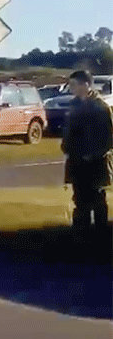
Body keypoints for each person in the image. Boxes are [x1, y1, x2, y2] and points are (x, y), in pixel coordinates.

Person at [61, 70, 112, 240]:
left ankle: (101, 237)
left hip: (95, 162)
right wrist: (67, 147)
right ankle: (80, 237)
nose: (71, 88)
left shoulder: (101, 108)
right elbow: (69, 132)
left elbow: (108, 138)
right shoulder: (73, 105)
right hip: (76, 162)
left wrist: (93, 154)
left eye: (74, 84)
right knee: (79, 201)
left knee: (97, 200)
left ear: (86, 85)